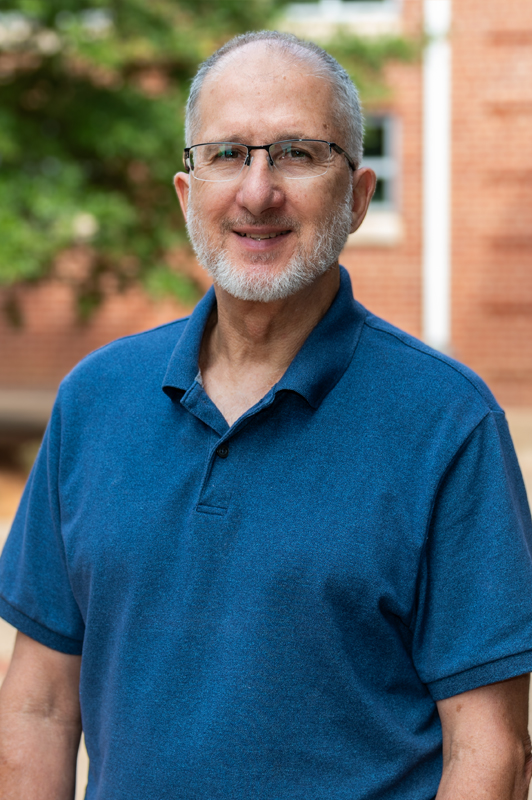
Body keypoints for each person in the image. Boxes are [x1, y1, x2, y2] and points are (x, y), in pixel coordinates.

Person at [0, 30, 531, 800]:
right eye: (227, 155)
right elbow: (40, 707)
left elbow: (490, 754)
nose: (257, 192)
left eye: (296, 152)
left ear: (357, 195)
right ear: (188, 195)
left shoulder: (448, 423)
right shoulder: (95, 400)